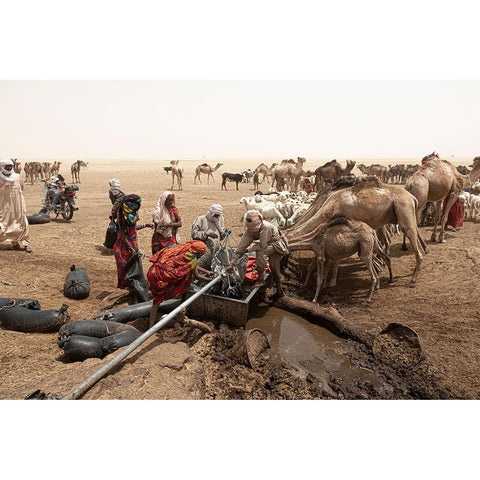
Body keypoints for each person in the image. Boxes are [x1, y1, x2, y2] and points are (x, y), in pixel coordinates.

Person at [147, 240, 214, 327]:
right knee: (158, 299)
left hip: (153, 272)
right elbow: (197, 275)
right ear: (198, 253)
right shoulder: (191, 260)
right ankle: (153, 326)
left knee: (155, 301)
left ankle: (150, 325)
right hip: (162, 278)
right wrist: (209, 280)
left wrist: (206, 271)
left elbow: (193, 265)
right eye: (201, 254)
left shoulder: (180, 248)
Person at [226, 210, 288, 296]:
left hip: (275, 245)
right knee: (270, 264)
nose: (253, 231)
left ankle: (266, 281)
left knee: (272, 266)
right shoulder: (249, 230)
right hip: (265, 246)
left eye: (254, 229)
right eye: (251, 229)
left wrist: (249, 250)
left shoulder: (265, 227)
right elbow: (241, 248)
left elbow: (262, 246)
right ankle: (271, 286)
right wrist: (232, 264)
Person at [113, 194, 152, 290]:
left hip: (132, 247)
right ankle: (122, 290)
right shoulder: (122, 216)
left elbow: (133, 228)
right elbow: (122, 235)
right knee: (124, 271)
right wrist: (131, 249)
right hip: (123, 249)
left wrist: (145, 225)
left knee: (135, 269)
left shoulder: (129, 215)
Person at [0, 159, 32, 253]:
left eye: (10, 166)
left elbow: (21, 188)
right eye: (7, 166)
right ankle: (14, 243)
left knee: (22, 224)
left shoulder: (17, 177)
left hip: (18, 206)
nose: (9, 168)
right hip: (3, 207)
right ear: (2, 167)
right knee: (3, 225)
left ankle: (26, 244)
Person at [191, 204, 228, 269]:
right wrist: (207, 234)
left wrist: (224, 234)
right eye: (215, 215)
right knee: (199, 270)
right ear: (211, 213)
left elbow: (220, 238)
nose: (216, 217)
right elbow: (194, 234)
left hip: (215, 254)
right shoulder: (201, 220)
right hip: (203, 253)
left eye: (218, 216)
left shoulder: (218, 222)